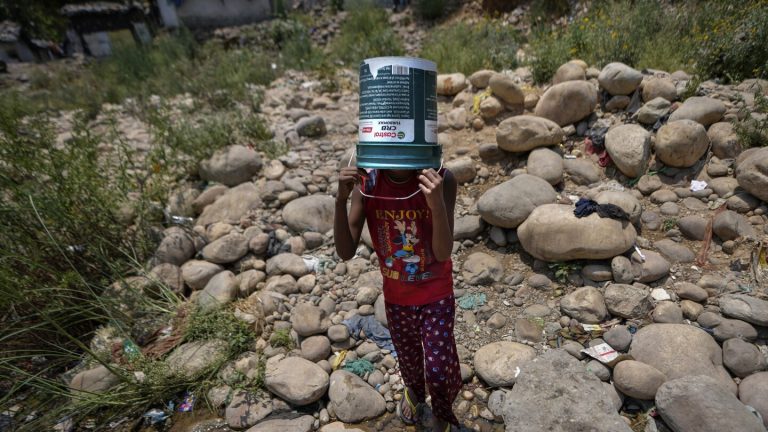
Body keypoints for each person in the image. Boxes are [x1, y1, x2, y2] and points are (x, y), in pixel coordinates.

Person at [334, 163, 461, 431]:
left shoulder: (441, 179)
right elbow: (346, 252)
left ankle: (442, 411)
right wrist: (340, 199)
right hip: (397, 297)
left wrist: (436, 204)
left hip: (436, 294)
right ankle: (414, 390)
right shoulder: (367, 183)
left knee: (438, 369)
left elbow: (442, 253)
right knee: (408, 356)